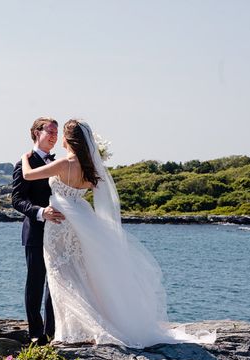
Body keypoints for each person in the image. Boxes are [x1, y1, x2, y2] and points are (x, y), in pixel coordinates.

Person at [21, 119, 215, 347]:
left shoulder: (64, 164)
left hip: (60, 223)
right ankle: (72, 328)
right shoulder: (90, 169)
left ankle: (70, 330)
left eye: (61, 133)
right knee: (79, 274)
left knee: (61, 274)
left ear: (68, 140)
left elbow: (28, 175)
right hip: (81, 217)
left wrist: (25, 158)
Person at [12, 117, 65, 345]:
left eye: (56, 132)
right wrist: (41, 212)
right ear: (36, 133)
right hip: (35, 230)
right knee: (35, 282)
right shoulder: (25, 162)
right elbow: (17, 199)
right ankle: (36, 333)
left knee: (55, 281)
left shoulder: (58, 163)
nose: (54, 136)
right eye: (50, 131)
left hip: (57, 232)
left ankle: (52, 332)